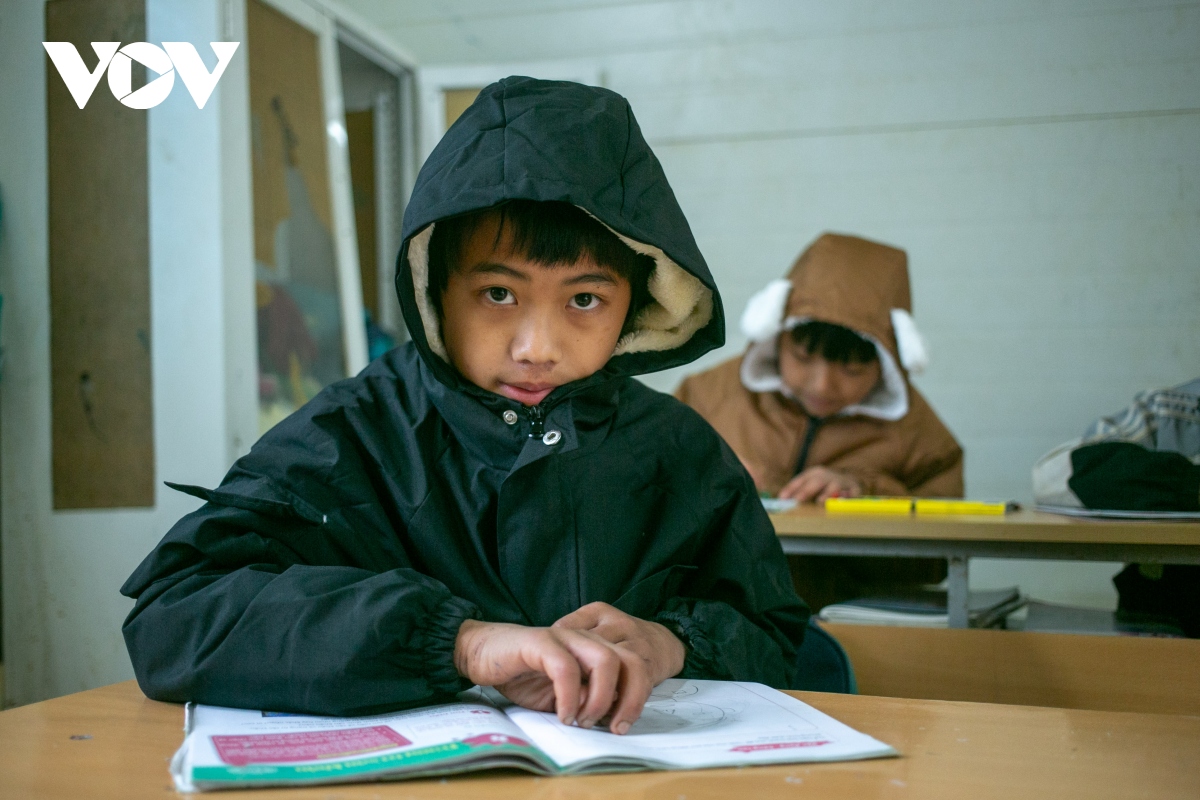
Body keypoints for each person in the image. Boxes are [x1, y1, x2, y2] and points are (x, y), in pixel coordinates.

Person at [120, 77, 808, 733]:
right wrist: (456, 642)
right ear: (435, 288)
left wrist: (673, 643)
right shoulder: (350, 436)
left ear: (637, 306)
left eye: (585, 300)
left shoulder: (680, 452)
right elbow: (175, 617)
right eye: (499, 294)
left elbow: (775, 633)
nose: (538, 347)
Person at [675, 233, 963, 608]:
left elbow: (938, 560)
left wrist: (864, 492)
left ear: (887, 362)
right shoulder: (707, 395)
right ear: (777, 337)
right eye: (803, 356)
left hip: (848, 631)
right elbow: (635, 499)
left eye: (853, 368)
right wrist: (705, 474)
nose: (823, 384)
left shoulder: (918, 432)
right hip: (713, 619)